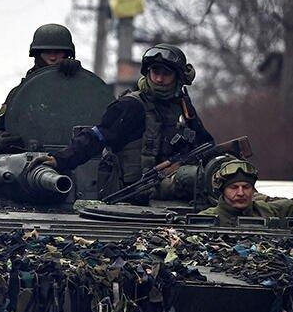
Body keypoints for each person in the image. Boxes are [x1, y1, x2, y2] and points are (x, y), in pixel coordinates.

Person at [32, 43, 213, 201]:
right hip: (134, 192)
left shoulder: (182, 107)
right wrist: (60, 160)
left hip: (172, 192)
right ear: (147, 72)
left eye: (166, 73)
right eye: (155, 72)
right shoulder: (131, 106)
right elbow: (96, 137)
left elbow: (205, 144)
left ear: (178, 77)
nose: (159, 79)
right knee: (192, 177)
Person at [0, 24, 83, 152]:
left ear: (67, 54)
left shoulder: (80, 89)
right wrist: (0, 140)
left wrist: (78, 77)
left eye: (58, 52)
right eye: (47, 52)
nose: (53, 57)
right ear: (37, 54)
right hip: (28, 156)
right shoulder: (21, 93)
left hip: (73, 156)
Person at [198, 159, 293, 228]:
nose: (241, 193)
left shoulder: (267, 210)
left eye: (246, 187)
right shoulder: (205, 218)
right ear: (223, 190)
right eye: (234, 187)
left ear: (253, 189)